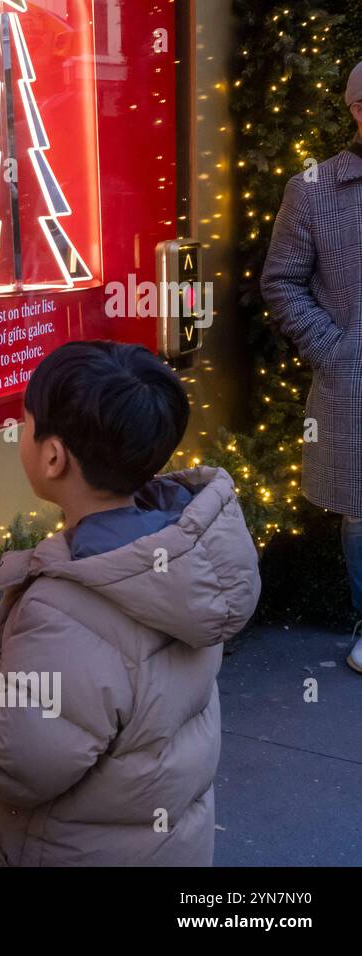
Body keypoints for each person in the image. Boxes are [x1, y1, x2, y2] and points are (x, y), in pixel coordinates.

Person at [0, 342, 260, 865]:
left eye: (24, 423)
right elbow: (117, 695)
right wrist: (3, 683)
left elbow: (20, 764)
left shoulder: (67, 608)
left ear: (54, 456)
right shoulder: (175, 553)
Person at [262, 60, 362, 675]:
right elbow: (282, 282)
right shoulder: (317, 189)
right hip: (355, 376)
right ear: (357, 109)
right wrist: (335, 347)